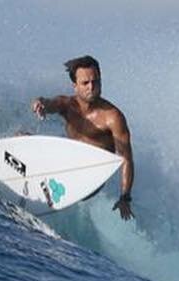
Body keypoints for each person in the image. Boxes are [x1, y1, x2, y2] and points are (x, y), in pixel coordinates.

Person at [31, 55, 135, 220]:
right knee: (23, 136)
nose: (91, 87)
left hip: (90, 179)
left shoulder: (113, 117)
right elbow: (49, 103)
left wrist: (125, 197)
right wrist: (40, 104)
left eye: (95, 81)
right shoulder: (67, 105)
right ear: (75, 86)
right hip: (67, 162)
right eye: (85, 83)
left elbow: (126, 159)